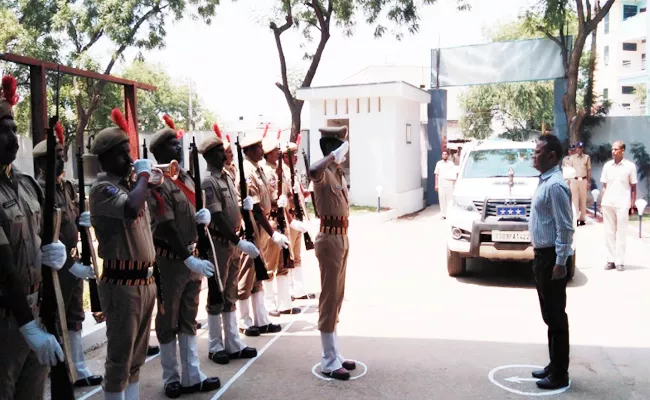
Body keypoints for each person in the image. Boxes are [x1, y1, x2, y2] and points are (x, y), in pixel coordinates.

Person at [0, 75, 67, 399]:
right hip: (7, 319)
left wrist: (56, 251)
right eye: (3, 129)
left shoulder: (27, 184)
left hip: (37, 308)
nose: (12, 136)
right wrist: (28, 326)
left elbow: (45, 235)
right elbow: (4, 267)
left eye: (14, 128)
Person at [147, 119, 220, 398]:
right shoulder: (158, 180)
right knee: (168, 319)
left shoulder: (186, 177)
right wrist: (187, 258)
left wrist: (204, 217)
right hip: (171, 259)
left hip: (192, 255)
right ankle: (171, 377)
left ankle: (192, 375)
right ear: (159, 152)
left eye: (177, 142)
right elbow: (165, 224)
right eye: (172, 144)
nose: (178, 147)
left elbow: (191, 212)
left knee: (189, 316)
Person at [89, 109, 157, 400]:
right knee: (119, 360)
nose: (128, 160)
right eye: (121, 155)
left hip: (144, 281)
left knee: (136, 358)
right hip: (122, 284)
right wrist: (142, 175)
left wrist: (147, 179)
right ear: (104, 158)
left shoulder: (130, 187)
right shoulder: (102, 188)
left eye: (128, 153)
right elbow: (130, 208)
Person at [32, 136, 104, 387]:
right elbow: (44, 233)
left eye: (63, 153)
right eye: (56, 155)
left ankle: (79, 369)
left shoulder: (67, 186)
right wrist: (71, 266)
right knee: (56, 318)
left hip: (73, 261)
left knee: (75, 316)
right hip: (56, 267)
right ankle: (61, 372)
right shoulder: (40, 190)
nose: (62, 158)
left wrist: (83, 219)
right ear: (42, 162)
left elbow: (70, 220)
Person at [198, 130, 259, 365]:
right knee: (217, 292)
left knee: (230, 291)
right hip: (219, 243)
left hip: (232, 241)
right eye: (218, 152)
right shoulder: (209, 181)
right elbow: (217, 216)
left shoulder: (226, 176)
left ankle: (233, 342)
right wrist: (237, 241)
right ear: (209, 156)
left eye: (223, 151)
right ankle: (215, 345)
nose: (224, 155)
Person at [309, 125, 356, 381]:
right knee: (329, 296)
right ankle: (328, 360)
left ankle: (335, 353)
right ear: (332, 149)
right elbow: (313, 170)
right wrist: (332, 156)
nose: (345, 155)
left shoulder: (336, 173)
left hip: (342, 237)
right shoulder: (324, 171)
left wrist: (336, 160)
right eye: (341, 148)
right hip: (329, 238)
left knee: (337, 296)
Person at [529, 134, 574, 390]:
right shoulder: (545, 181)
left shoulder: (555, 185)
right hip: (541, 258)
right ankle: (553, 365)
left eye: (538, 152)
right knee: (549, 316)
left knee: (556, 318)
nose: (534, 156)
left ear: (552, 156)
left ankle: (560, 374)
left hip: (550, 260)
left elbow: (565, 228)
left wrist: (560, 261)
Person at [237, 132, 288, 336]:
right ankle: (244, 320)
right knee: (247, 272)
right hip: (252, 225)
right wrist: (273, 232)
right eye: (258, 147)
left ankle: (260, 319)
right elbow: (255, 209)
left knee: (258, 272)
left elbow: (266, 201)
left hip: (261, 223)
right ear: (249, 150)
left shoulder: (258, 169)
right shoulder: (248, 171)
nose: (262, 150)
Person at [261, 135, 302, 316]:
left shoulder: (280, 171)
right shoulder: (265, 172)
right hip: (271, 221)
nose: (278, 153)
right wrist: (278, 201)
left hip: (282, 220)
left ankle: (285, 303)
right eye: (275, 151)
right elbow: (265, 200)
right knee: (270, 264)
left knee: (284, 262)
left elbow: (284, 193)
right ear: (268, 153)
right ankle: (270, 304)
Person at [283, 141, 315, 301]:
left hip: (298, 217)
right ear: (284, 157)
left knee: (297, 255)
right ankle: (289, 291)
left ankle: (299, 289)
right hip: (289, 219)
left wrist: (311, 188)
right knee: (289, 256)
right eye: (292, 154)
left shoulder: (293, 173)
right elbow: (282, 198)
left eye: (296, 154)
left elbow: (302, 194)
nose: (295, 157)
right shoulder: (282, 174)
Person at [599, 140, 637, 271]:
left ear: (622, 151)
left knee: (621, 233)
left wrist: (632, 205)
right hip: (608, 203)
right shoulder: (607, 166)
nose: (613, 151)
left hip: (622, 203)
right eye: (612, 149)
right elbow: (604, 186)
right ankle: (611, 260)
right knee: (609, 233)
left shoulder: (630, 166)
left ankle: (620, 261)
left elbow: (633, 187)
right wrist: (601, 202)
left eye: (616, 149)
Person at [569, 142, 591, 226]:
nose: (579, 149)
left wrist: (589, 182)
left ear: (583, 149)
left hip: (583, 180)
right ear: (576, 149)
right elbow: (570, 170)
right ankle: (576, 218)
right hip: (574, 180)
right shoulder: (572, 158)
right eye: (578, 148)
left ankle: (582, 218)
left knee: (583, 200)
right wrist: (569, 181)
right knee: (574, 200)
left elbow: (589, 170)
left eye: (581, 148)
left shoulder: (586, 157)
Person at [434, 150, 456, 219]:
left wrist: (454, 184)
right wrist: (436, 185)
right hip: (441, 184)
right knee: (442, 199)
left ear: (448, 155)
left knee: (449, 200)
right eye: (443, 154)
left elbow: (454, 174)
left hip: (449, 184)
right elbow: (436, 175)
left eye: (446, 154)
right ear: (442, 155)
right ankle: (443, 215)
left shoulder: (451, 164)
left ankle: (449, 214)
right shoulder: (439, 163)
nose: (445, 155)